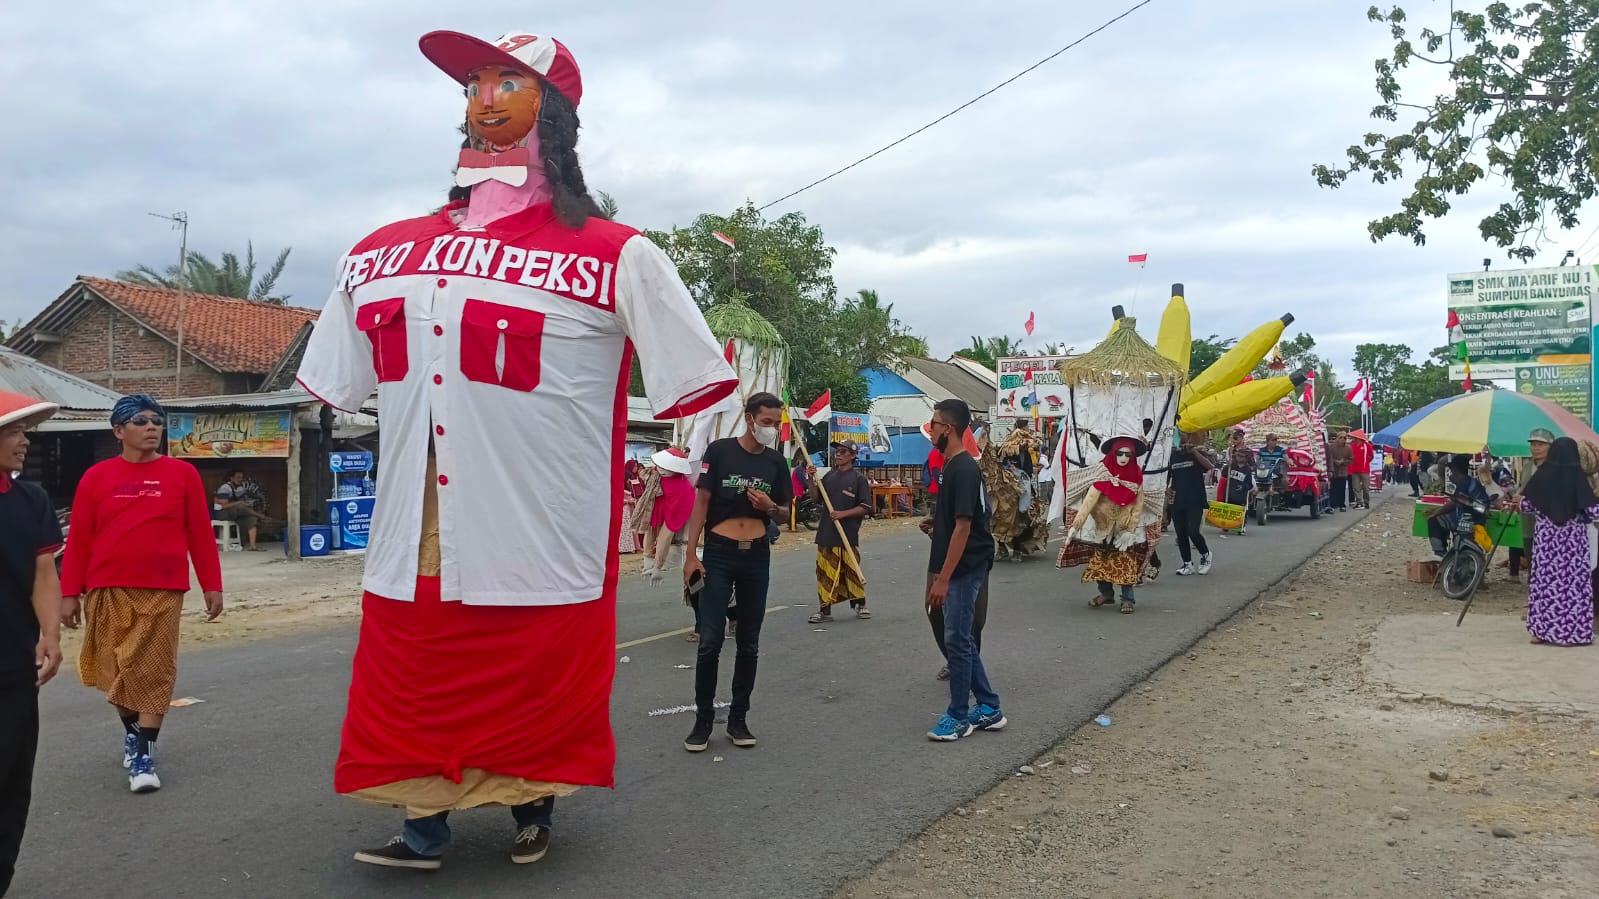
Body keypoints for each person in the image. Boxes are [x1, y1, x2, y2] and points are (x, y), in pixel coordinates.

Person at [296, 28, 738, 871]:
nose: (485, 96)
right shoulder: (380, 253)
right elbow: (342, 384)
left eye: (509, 80)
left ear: (555, 109)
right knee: (413, 675)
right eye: (474, 81)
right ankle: (422, 823)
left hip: (539, 529)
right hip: (413, 529)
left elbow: (690, 382)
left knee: (530, 679)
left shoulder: (617, 254)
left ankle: (531, 802)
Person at [58, 394, 224, 794]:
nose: (151, 427)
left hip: (163, 589)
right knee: (114, 671)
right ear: (119, 431)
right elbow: (79, 539)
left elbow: (200, 535)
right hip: (106, 587)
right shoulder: (96, 478)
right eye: (140, 421)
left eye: (156, 421)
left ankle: (144, 754)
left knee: (152, 670)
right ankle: (134, 734)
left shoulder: (182, 474)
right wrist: (69, 592)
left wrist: (212, 585)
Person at [681, 392, 792, 752]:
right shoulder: (721, 452)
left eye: (776, 423)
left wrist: (771, 506)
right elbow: (701, 503)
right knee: (710, 640)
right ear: (748, 418)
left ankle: (739, 719)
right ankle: (702, 722)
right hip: (719, 553)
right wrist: (690, 555)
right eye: (766, 422)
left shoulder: (777, 463)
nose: (771, 429)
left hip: (756, 557)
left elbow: (787, 514)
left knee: (749, 641)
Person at [0, 392, 64, 896]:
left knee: (11, 782)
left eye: (24, 433)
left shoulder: (31, 501)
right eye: (14, 433)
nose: (24, 442)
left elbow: (45, 572)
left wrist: (51, 634)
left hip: (13, 665)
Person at [923, 399, 1004, 741]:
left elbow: (965, 528)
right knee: (962, 639)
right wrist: (934, 525)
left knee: (957, 639)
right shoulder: (951, 466)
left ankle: (959, 715)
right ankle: (988, 706)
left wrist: (943, 578)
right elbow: (956, 519)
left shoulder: (963, 469)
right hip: (958, 563)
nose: (931, 431)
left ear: (950, 429)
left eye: (935, 425)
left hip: (965, 567)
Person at [1519, 436, 1599, 646]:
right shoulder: (1578, 479)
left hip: (1546, 544)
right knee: (1574, 587)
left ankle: (1541, 631)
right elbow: (1594, 511)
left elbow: (1525, 506)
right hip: (1573, 546)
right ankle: (1574, 633)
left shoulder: (1542, 478)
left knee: (1544, 585)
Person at [809, 442, 872, 624]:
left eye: (843, 452)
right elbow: (815, 498)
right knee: (824, 573)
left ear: (852, 455)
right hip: (826, 534)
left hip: (848, 534)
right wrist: (811, 479)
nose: (838, 455)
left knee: (852, 571)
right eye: (837, 452)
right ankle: (824, 610)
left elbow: (866, 507)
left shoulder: (858, 479)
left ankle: (861, 604)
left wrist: (843, 514)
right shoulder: (829, 476)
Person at [1504, 430, 1552, 583]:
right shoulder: (1527, 465)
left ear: (1550, 447)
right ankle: (1534, 583)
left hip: (1547, 519)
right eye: (1533, 444)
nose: (1536, 448)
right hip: (1527, 518)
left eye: (1540, 445)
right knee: (1529, 550)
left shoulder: (1554, 468)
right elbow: (1522, 486)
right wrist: (1516, 499)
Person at [642, 448, 695, 584]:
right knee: (651, 530)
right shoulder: (656, 476)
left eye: (666, 467)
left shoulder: (683, 486)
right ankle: (648, 561)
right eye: (660, 466)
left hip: (676, 510)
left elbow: (685, 501)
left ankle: (657, 565)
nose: (661, 470)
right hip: (658, 508)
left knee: (665, 535)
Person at [1425, 456, 1491, 558]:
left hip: (1472, 522)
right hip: (1459, 518)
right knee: (1434, 519)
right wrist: (1436, 512)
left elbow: (1483, 508)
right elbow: (1454, 502)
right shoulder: (1461, 483)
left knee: (1435, 520)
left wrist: (1466, 501)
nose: (1451, 473)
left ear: (1456, 469)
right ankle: (1440, 553)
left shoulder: (1472, 484)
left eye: (1452, 470)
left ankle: (1441, 553)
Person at [1169, 433, 1215, 576]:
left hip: (1195, 499)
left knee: (1192, 531)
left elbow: (1209, 467)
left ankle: (1206, 554)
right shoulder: (1172, 457)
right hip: (1177, 499)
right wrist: (1166, 489)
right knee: (1181, 533)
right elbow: (1166, 476)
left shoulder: (1196, 454)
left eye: (1182, 439)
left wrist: (1193, 451)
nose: (1180, 442)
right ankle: (1187, 564)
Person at [213, 469, 263, 551]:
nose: (240, 479)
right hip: (222, 513)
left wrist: (246, 503)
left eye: (241, 477)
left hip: (235, 513)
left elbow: (242, 502)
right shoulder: (225, 488)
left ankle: (252, 546)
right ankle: (259, 515)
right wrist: (240, 503)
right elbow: (224, 506)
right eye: (238, 477)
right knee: (241, 507)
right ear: (231, 478)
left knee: (251, 518)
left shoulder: (240, 489)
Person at [1326, 433, 1354, 512]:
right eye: (1341, 437)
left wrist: (1343, 462)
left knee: (1341, 488)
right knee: (1333, 488)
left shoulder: (1348, 448)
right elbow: (1328, 457)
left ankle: (1342, 504)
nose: (1343, 439)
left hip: (1343, 471)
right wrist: (1335, 461)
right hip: (1333, 470)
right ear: (1337, 438)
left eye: (1344, 438)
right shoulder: (1331, 447)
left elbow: (1351, 459)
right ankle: (1333, 505)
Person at [1348, 430, 1375, 509]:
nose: (1353, 438)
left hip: (1364, 470)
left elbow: (1371, 456)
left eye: (1355, 437)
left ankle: (1366, 502)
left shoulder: (1367, 445)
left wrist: (1366, 462)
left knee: (1366, 488)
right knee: (1355, 487)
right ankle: (1359, 502)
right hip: (1354, 469)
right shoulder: (1352, 445)